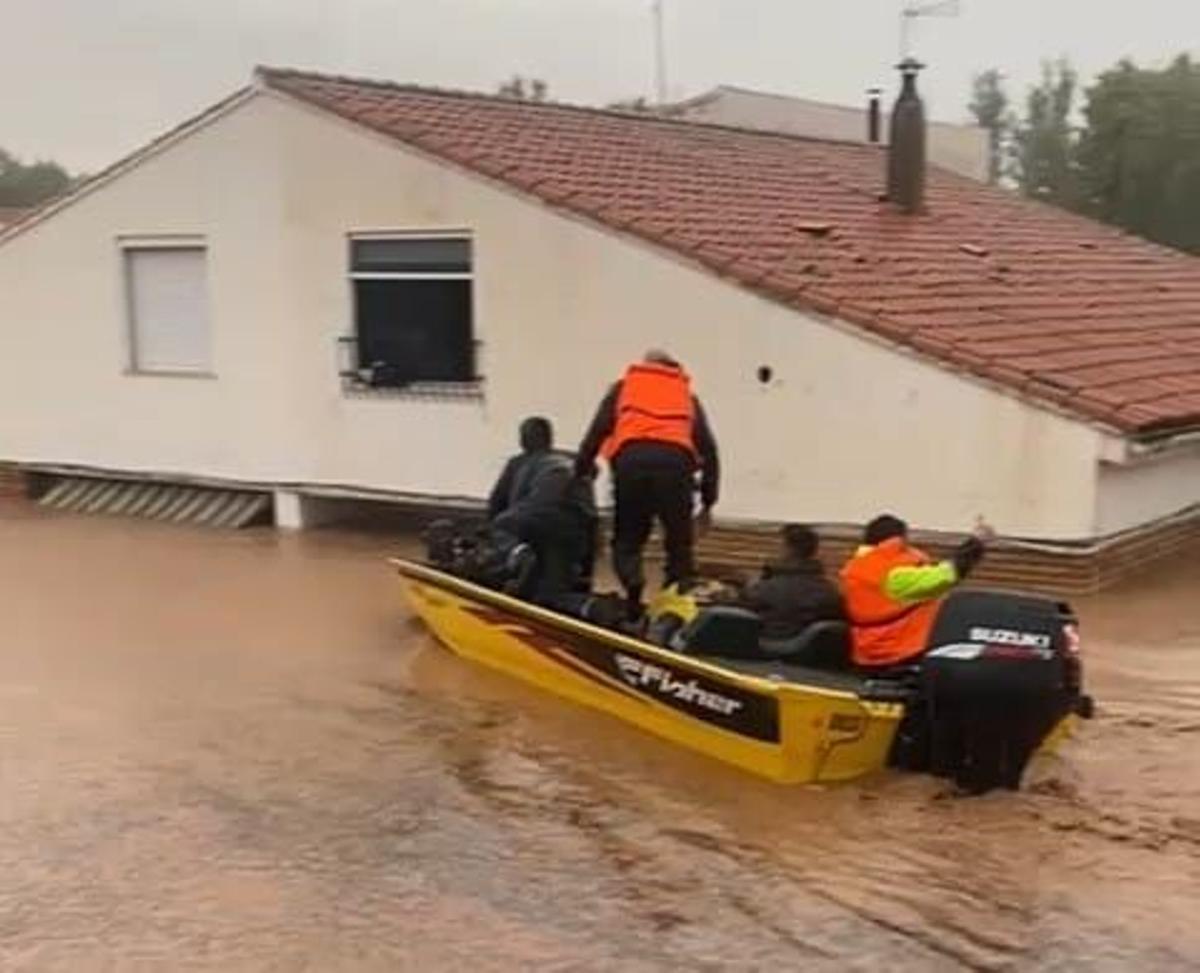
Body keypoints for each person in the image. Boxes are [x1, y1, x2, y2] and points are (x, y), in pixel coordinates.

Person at [575, 350, 719, 619]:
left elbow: (597, 430)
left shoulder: (624, 388)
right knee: (678, 546)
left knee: (627, 540)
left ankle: (633, 587)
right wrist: (708, 501)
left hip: (632, 462)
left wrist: (581, 471)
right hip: (677, 466)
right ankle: (671, 612)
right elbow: (709, 449)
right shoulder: (686, 397)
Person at [839, 514, 990, 669]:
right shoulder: (893, 575)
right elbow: (946, 574)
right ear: (897, 541)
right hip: (900, 651)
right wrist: (976, 543)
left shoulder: (855, 568)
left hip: (867, 650)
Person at [489, 416, 598, 590]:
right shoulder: (575, 464)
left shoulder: (520, 462)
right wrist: (586, 574)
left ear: (523, 440)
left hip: (536, 516)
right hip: (574, 527)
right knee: (556, 585)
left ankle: (519, 557)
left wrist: (500, 539)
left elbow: (497, 504)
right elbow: (591, 518)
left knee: (502, 524)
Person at [736, 524, 844, 641]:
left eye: (777, 546)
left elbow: (744, 603)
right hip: (810, 651)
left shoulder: (770, 586)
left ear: (787, 549)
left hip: (768, 644)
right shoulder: (828, 589)